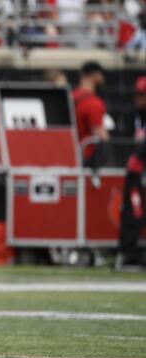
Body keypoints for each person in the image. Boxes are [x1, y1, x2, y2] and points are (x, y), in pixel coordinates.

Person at [116, 76, 146, 270]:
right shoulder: (133, 116)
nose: (139, 98)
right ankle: (128, 254)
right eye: (138, 94)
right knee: (133, 212)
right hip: (137, 174)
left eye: (142, 95)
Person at [73, 61, 109, 165]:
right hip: (86, 159)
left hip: (71, 154)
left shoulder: (70, 97)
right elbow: (100, 134)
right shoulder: (93, 102)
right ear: (94, 75)